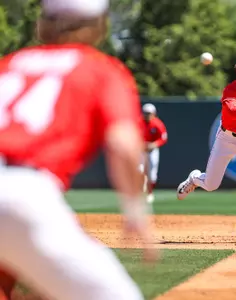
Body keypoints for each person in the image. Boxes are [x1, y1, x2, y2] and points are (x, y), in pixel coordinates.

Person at [0, 1, 158, 299]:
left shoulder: (8, 64)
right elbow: (123, 143)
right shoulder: (99, 68)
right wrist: (136, 212)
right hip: (19, 196)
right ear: (99, 25)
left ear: (41, 23)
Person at [176, 50, 236, 243]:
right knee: (212, 185)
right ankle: (195, 178)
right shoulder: (231, 89)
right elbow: (232, 111)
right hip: (226, 139)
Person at [139, 103, 168, 203]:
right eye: (145, 113)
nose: (147, 115)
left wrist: (154, 144)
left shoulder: (157, 124)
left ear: (154, 114)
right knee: (139, 170)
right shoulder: (139, 122)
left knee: (152, 174)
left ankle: (150, 193)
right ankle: (140, 192)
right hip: (141, 150)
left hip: (152, 150)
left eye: (149, 113)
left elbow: (163, 138)